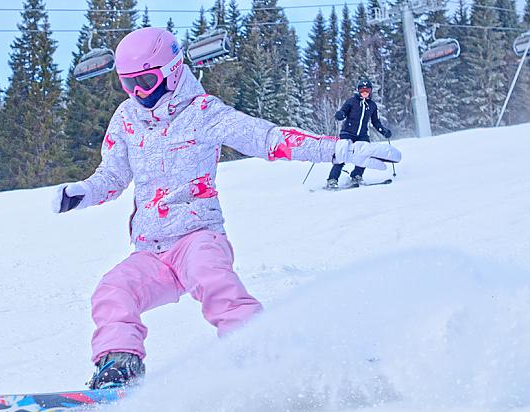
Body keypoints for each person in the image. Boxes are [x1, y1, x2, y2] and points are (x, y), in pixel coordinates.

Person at [52, 28, 401, 389]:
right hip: (151, 250)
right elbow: (112, 173)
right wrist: (84, 192)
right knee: (112, 290)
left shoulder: (203, 113)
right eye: (128, 84)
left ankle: (262, 355)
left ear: (172, 70)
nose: (138, 93)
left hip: (197, 237)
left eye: (145, 80)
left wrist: (343, 151)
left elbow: (269, 139)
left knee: (213, 282)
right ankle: (119, 369)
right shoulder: (126, 120)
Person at [326, 79, 393, 189]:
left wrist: (383, 131)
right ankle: (332, 179)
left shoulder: (372, 105)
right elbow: (344, 111)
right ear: (358, 91)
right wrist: (340, 114)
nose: (365, 93)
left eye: (367, 90)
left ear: (370, 91)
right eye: (362, 90)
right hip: (347, 132)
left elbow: (375, 122)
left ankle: (356, 176)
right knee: (341, 154)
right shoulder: (352, 101)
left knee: (364, 154)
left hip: (362, 135)